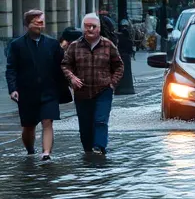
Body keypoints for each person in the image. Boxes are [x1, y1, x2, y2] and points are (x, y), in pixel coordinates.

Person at [5, 9, 67, 160]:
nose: (40, 25)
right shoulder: (16, 45)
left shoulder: (52, 44)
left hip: (49, 90)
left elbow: (64, 65)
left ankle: (46, 153)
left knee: (48, 121)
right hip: (27, 92)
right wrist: (13, 89)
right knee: (29, 126)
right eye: (36, 22)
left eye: (42, 22)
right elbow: (11, 68)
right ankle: (30, 150)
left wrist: (69, 81)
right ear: (27, 25)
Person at [62, 13, 125, 157]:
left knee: (101, 120)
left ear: (99, 28)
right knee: (85, 125)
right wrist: (71, 78)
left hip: (103, 90)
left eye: (93, 26)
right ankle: (88, 150)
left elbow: (119, 66)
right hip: (82, 91)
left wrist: (112, 83)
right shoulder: (74, 46)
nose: (90, 29)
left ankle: (99, 147)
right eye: (87, 26)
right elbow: (65, 65)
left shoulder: (108, 45)